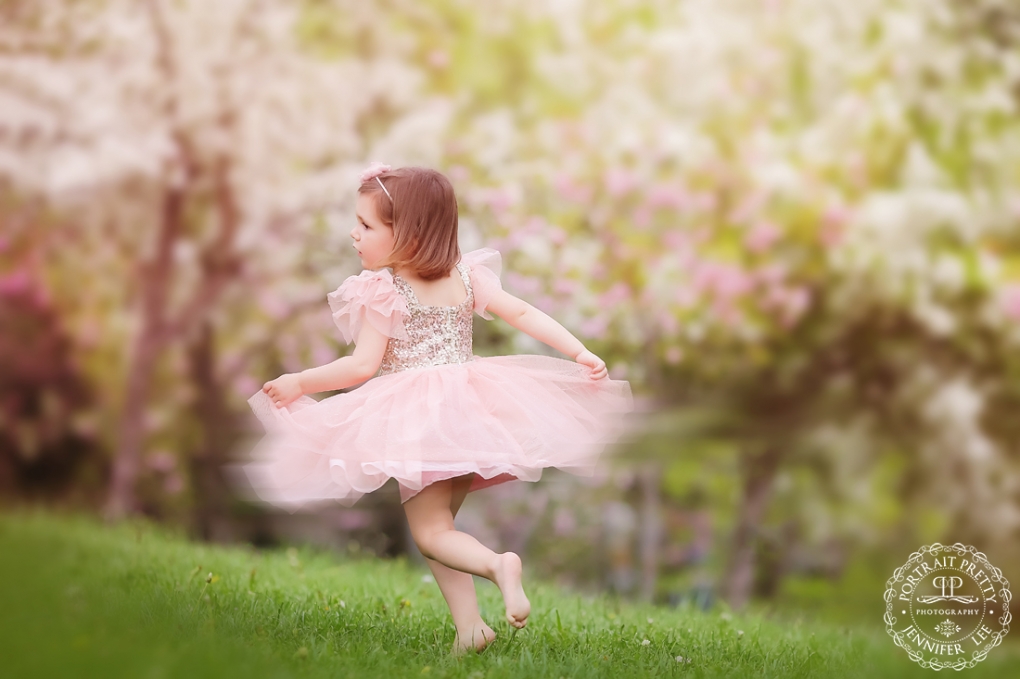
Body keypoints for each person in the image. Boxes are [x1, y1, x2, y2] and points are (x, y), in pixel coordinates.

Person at [238, 163, 634, 654]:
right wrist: (579, 352)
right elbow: (523, 312)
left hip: (420, 421)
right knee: (440, 529)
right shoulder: (465, 276)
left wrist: (301, 381)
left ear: (408, 233)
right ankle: (469, 629)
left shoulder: (385, 289)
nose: (353, 234)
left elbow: (362, 366)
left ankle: (497, 565)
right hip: (471, 414)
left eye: (366, 226)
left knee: (430, 533)